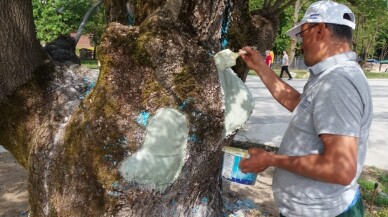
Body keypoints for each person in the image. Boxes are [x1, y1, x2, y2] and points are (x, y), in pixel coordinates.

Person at [239, 1, 372, 217]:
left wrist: (271, 160)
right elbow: (302, 106)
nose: (300, 44)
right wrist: (261, 67)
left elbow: (340, 169)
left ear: (319, 30)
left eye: (302, 35)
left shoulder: (339, 83)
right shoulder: (328, 76)